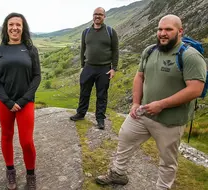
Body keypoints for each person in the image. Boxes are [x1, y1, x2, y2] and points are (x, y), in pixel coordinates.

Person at [95, 15, 206, 190]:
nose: (163, 33)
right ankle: (118, 174)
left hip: (171, 121)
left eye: (168, 29)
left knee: (167, 160)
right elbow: (139, 76)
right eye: (160, 29)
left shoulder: (191, 56)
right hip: (143, 112)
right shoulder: (149, 51)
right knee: (125, 137)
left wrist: (161, 104)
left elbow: (195, 89)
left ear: (180, 31)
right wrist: (135, 103)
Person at [0, 13, 41, 190]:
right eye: (11, 24)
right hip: (4, 103)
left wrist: (23, 99)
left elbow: (36, 77)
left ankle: (31, 174)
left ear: (23, 28)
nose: (14, 28)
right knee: (6, 136)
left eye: (18, 25)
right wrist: (7, 101)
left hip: (25, 102)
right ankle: (10, 170)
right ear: (6, 28)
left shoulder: (30, 49)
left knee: (26, 141)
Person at [69, 7, 119, 129]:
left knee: (102, 95)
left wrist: (114, 68)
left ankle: (100, 119)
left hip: (104, 69)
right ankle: (81, 113)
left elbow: (115, 51)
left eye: (100, 14)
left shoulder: (110, 31)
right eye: (95, 14)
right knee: (84, 92)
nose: (97, 16)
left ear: (104, 17)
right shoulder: (86, 32)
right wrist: (82, 66)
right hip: (88, 67)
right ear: (93, 16)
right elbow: (83, 49)